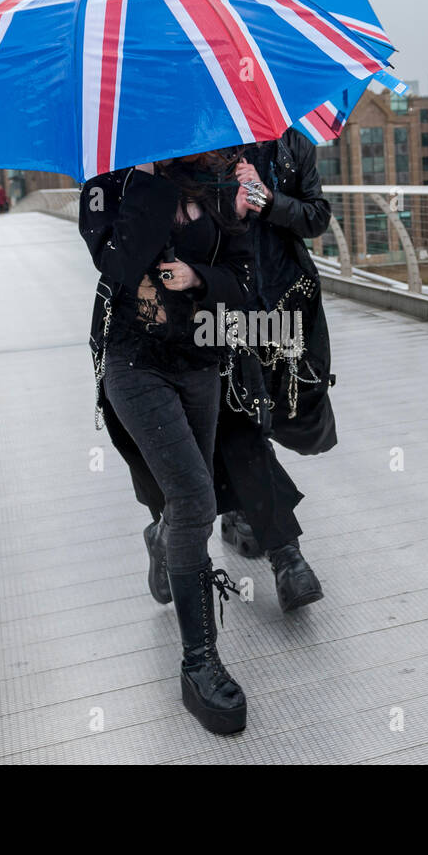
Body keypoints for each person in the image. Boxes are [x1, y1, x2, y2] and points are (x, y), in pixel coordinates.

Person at [106, 129, 337, 613]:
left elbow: (315, 216)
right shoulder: (188, 142)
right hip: (204, 316)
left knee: (254, 424)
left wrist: (268, 200)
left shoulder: (291, 144)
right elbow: (141, 247)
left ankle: (238, 527)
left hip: (273, 306)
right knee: (223, 429)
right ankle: (277, 553)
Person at [80, 149, 256, 735]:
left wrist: (201, 276)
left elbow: (246, 282)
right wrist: (149, 183)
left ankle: (160, 539)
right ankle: (199, 663)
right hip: (135, 362)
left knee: (185, 504)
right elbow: (118, 266)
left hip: (201, 360)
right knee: (196, 502)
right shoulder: (105, 187)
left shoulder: (213, 180)